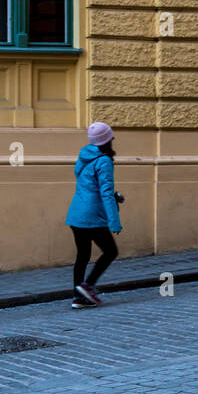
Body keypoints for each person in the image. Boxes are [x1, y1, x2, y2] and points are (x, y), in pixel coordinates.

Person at [66, 121, 123, 307]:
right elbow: (105, 192)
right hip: (93, 216)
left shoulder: (84, 156)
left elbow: (89, 184)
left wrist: (115, 196)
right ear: (107, 140)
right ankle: (88, 286)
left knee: (82, 256)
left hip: (76, 214)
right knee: (110, 251)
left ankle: (78, 297)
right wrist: (114, 221)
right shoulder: (104, 161)